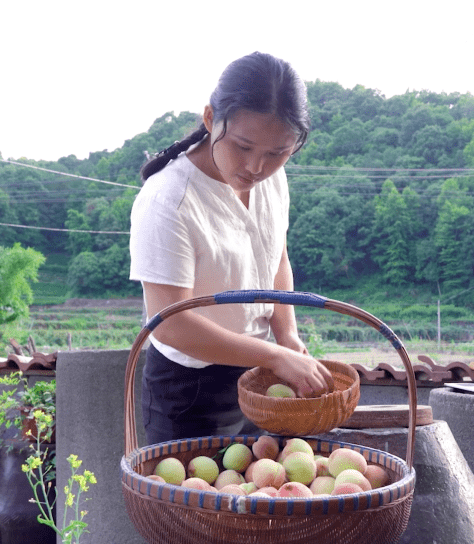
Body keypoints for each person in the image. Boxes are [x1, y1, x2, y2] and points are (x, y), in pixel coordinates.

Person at [128, 52, 331, 445]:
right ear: (210, 119)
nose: (256, 166)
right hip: (189, 392)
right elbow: (169, 322)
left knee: (258, 498)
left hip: (256, 380)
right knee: (195, 504)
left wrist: (286, 334)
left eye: (277, 153)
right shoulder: (169, 200)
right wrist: (272, 355)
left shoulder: (271, 180)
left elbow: (275, 255)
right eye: (243, 146)